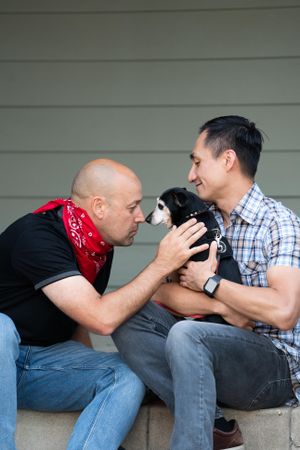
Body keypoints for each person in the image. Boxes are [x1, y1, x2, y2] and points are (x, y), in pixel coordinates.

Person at [112, 116, 300, 450]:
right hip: (206, 349)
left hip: (273, 367)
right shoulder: (194, 219)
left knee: (187, 334)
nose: (190, 175)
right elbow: (161, 290)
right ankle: (215, 425)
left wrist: (209, 282)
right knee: (126, 313)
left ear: (227, 160)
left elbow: (284, 311)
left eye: (198, 162)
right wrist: (219, 305)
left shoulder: (279, 224)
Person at [0, 158, 207, 450]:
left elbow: (79, 319)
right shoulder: (37, 236)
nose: (140, 217)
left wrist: (91, 377)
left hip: (37, 367)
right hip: (3, 356)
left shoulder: (96, 248)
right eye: (132, 206)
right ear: (99, 207)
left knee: (129, 373)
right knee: (1, 328)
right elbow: (100, 319)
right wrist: (161, 266)